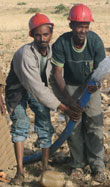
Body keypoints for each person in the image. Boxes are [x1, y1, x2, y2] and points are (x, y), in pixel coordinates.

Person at [5, 13, 82, 185]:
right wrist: (64, 108)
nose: (42, 38)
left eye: (46, 34)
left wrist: (69, 101)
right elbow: (37, 88)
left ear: (51, 33)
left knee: (44, 123)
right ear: (32, 35)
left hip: (38, 89)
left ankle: (45, 168)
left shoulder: (53, 52)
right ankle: (20, 171)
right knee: (21, 125)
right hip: (18, 91)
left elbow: (53, 80)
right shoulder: (25, 54)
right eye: (38, 35)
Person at [51, 4, 106, 182]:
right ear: (71, 26)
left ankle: (97, 166)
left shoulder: (95, 41)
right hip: (69, 86)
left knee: (94, 124)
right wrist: (68, 99)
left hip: (91, 86)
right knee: (73, 126)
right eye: (79, 26)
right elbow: (57, 73)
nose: (83, 30)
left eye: (86, 26)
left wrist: (96, 83)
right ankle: (77, 165)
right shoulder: (62, 43)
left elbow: (102, 69)